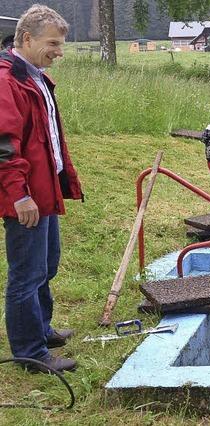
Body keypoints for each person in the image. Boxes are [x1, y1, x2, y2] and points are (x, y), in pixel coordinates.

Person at [0, 5, 83, 373]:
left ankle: (42, 329)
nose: (59, 52)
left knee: (46, 266)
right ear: (27, 38)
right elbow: (4, 145)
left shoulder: (36, 76)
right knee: (26, 274)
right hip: (25, 197)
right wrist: (19, 194)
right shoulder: (7, 80)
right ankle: (30, 352)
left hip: (43, 191)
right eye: (53, 43)